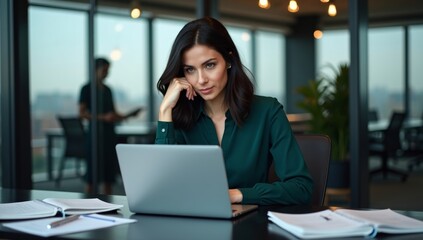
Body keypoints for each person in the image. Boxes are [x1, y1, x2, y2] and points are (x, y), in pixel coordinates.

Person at [155, 17, 313, 205]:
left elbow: (301, 188)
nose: (201, 80)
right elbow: (162, 189)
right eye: (190, 70)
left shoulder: (268, 112)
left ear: (229, 59)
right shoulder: (181, 118)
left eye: (210, 65)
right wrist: (165, 110)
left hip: (250, 226)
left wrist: (236, 195)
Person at [79, 57, 141, 194]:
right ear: (95, 70)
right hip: (95, 135)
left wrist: (128, 115)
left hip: (108, 135)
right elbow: (82, 113)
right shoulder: (86, 89)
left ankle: (107, 205)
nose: (107, 73)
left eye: (108, 70)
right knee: (92, 176)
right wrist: (103, 118)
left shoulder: (108, 90)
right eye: (104, 70)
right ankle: (86, 204)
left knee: (108, 175)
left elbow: (113, 113)